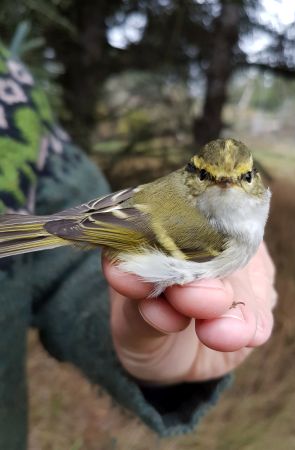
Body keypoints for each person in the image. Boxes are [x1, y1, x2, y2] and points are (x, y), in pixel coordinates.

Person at [0, 43, 277, 449]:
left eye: (242, 178)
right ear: (190, 175)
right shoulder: (219, 236)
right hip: (126, 235)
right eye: (208, 176)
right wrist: (75, 227)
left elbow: (115, 221)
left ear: (256, 181)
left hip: (112, 218)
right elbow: (132, 233)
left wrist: (146, 354)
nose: (225, 184)